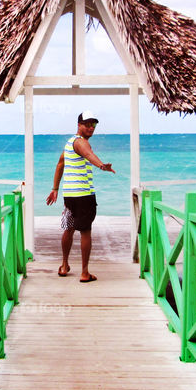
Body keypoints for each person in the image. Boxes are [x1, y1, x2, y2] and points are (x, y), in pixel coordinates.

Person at [45, 110, 115, 282]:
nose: (91, 127)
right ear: (79, 125)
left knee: (68, 228)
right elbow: (89, 154)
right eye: (87, 124)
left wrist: (55, 188)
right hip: (84, 196)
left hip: (69, 195)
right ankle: (84, 272)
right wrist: (101, 166)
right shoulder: (81, 143)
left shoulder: (69, 143)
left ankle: (64, 265)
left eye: (94, 124)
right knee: (85, 231)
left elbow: (60, 163)